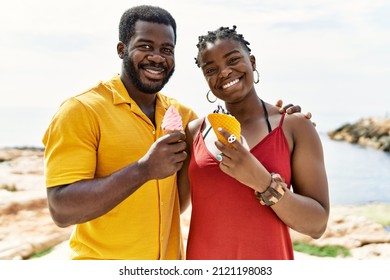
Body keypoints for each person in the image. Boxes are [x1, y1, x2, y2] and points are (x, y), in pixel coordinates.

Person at [42, 6, 308, 260]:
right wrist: (143, 170)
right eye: (145, 46)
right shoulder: (81, 110)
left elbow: (180, 199)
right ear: (122, 49)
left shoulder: (184, 118)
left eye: (166, 49)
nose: (157, 57)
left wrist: (287, 117)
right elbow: (61, 211)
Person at [183, 26, 329, 260]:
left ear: (252, 61)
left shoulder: (293, 126)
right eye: (211, 69)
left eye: (233, 60)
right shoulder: (194, 132)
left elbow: (317, 225)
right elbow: (173, 205)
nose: (224, 72)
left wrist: (263, 182)